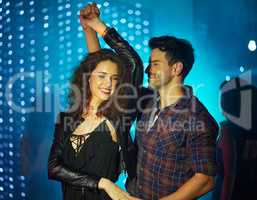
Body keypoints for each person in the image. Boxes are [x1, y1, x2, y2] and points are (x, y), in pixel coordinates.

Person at [83, 3, 219, 200]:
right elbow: (101, 72)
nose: (148, 70)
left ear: (176, 69)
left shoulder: (197, 117)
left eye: (155, 64)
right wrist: (90, 30)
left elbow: (205, 180)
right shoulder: (146, 99)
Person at [47, 5, 143, 200]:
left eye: (114, 78)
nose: (108, 83)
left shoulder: (118, 115)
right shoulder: (67, 118)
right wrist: (103, 183)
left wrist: (99, 26)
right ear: (87, 78)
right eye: (102, 76)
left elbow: (133, 63)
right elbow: (53, 168)